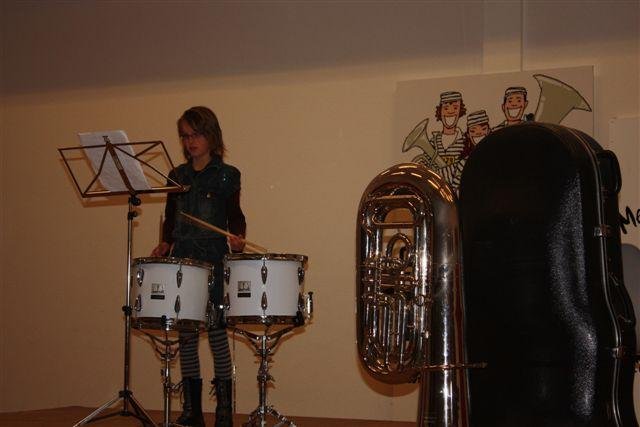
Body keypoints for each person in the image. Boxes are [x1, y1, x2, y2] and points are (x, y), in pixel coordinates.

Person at [152, 106, 246, 427]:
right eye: (185, 136)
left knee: (217, 333)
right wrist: (165, 243)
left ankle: (224, 411)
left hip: (213, 260)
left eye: (197, 135)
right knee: (187, 336)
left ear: (212, 136)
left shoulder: (227, 175)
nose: (190, 142)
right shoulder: (177, 176)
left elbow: (235, 215)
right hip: (183, 261)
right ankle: (192, 410)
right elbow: (170, 218)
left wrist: (238, 237)